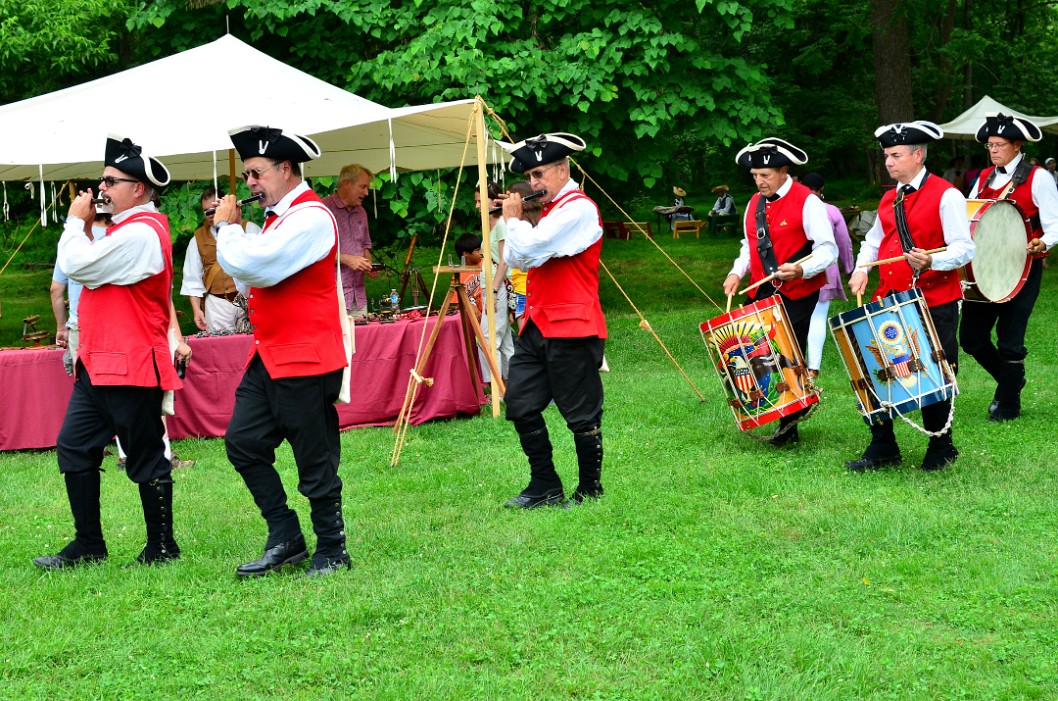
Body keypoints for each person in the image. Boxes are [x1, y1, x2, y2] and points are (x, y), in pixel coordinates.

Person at [34, 135, 186, 570]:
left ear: (138, 188)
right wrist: (83, 229)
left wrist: (72, 223)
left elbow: (78, 266)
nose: (101, 189)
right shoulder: (126, 229)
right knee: (74, 447)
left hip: (131, 364)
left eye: (110, 181)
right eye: (102, 180)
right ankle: (89, 545)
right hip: (99, 363)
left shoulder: (142, 231)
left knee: (144, 457)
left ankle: (162, 546)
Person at [214, 125, 350, 578]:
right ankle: (286, 535)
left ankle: (332, 549)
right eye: (248, 175)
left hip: (306, 357)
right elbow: (251, 280)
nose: (250, 183)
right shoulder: (280, 218)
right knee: (243, 443)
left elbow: (254, 267)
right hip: (272, 354)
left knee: (314, 457)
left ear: (287, 170)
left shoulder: (310, 217)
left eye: (256, 173)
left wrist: (226, 230)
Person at [846, 121, 974, 472]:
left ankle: (941, 445)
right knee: (877, 367)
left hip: (934, 299)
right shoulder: (890, 197)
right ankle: (883, 446)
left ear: (918, 155)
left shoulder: (946, 194)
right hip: (890, 298)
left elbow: (965, 248)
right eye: (886, 155)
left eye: (896, 155)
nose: (888, 161)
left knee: (935, 369)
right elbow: (873, 241)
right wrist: (862, 268)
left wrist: (933, 259)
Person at [497, 132, 607, 508]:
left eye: (540, 174)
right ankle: (545, 483)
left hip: (573, 326)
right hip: (537, 324)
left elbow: (526, 248)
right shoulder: (549, 213)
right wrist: (518, 224)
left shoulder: (579, 209)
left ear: (563, 170)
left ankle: (590, 489)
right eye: (529, 177)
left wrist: (513, 220)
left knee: (580, 413)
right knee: (520, 402)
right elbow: (518, 260)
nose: (533, 184)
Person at [721, 138, 837, 446]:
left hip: (799, 290)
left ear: (784, 171)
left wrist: (801, 269)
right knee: (759, 351)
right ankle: (786, 413)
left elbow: (827, 250)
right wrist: (736, 272)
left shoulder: (807, 200)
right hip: (762, 289)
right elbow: (749, 246)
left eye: (766, 175)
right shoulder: (753, 203)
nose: (759, 182)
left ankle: (789, 426)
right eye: (755, 175)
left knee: (785, 351)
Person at [960, 113, 1058, 421]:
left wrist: (1045, 242)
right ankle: (1011, 380)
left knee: (1010, 339)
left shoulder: (1038, 176)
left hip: (1022, 268)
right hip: (985, 271)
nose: (993, 150)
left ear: (1017, 146)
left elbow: (1055, 224)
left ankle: (1008, 405)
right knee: (971, 339)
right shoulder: (985, 177)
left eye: (999, 145)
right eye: (990, 145)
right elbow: (970, 215)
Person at [181, 187, 261, 333]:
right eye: (206, 211)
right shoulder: (197, 239)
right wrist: (196, 310)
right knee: (220, 349)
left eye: (213, 209)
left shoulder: (249, 229)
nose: (210, 215)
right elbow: (192, 281)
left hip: (249, 301)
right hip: (217, 305)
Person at [800, 172, 854, 377]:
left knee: (797, 318)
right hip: (824, 271)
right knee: (818, 317)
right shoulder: (830, 211)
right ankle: (813, 367)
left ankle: (797, 363)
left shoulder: (795, 209)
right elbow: (844, 241)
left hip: (799, 270)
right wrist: (850, 269)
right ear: (822, 191)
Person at [321, 163, 376, 318]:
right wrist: (347, 259)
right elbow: (313, 252)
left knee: (362, 341)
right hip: (332, 297)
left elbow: (365, 246)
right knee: (338, 342)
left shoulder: (362, 212)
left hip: (358, 298)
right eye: (362, 187)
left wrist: (369, 265)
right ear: (347, 184)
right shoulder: (323, 209)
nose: (366, 192)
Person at [473, 180, 515, 382]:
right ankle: (515, 385)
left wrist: (494, 291)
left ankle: (497, 388)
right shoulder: (491, 225)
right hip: (492, 285)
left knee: (489, 338)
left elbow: (504, 262)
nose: (478, 205)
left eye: (481, 201)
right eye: (477, 201)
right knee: (504, 340)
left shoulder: (501, 225)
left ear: (495, 202)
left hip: (498, 287)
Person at [505, 181, 543, 333]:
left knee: (529, 337)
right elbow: (510, 257)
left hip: (527, 287)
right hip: (523, 286)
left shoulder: (525, 225)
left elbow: (518, 257)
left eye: (510, 199)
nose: (507, 204)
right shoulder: (521, 223)